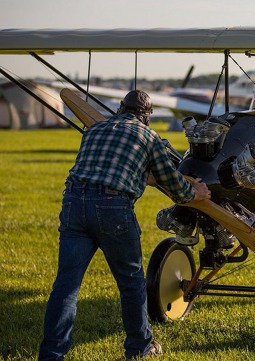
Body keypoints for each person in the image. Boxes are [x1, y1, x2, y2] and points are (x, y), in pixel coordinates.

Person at [38, 90, 211, 360]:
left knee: (65, 287)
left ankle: (51, 355)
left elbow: (117, 169)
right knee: (131, 284)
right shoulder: (148, 136)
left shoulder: (95, 130)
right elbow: (173, 183)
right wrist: (196, 193)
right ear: (147, 116)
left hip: (73, 202)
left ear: (121, 108)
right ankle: (139, 348)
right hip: (112, 207)